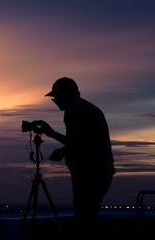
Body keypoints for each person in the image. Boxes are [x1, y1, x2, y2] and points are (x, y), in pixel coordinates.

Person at [39, 77, 116, 240]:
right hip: (99, 173)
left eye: (56, 98)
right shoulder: (85, 109)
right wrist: (64, 149)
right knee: (89, 219)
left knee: (85, 221)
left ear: (65, 95)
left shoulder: (74, 111)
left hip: (90, 174)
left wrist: (52, 135)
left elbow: (79, 143)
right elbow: (84, 141)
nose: (55, 101)